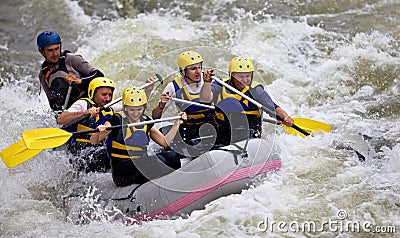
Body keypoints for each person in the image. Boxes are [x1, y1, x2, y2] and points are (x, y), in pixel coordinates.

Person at [90, 86, 186, 187]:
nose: (136, 113)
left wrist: (177, 124)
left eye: (139, 109)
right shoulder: (116, 119)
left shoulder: (145, 120)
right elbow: (93, 141)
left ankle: (175, 184)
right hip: (123, 171)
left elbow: (165, 142)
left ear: (144, 107)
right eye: (132, 110)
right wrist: (99, 131)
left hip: (140, 164)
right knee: (156, 162)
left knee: (172, 156)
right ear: (125, 108)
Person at [200, 56, 294, 146]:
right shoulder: (220, 85)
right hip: (223, 133)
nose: (245, 80)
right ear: (231, 76)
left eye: (248, 76)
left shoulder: (256, 91)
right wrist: (207, 83)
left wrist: (285, 117)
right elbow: (205, 99)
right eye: (240, 77)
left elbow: (273, 108)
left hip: (249, 134)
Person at [152, 50, 216, 152]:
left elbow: (206, 100)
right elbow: (155, 117)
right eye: (193, 68)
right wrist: (161, 105)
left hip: (210, 126)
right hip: (189, 129)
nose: (198, 71)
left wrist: (208, 83)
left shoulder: (210, 80)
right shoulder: (173, 87)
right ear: (183, 71)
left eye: (199, 67)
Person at [56, 77, 118, 172]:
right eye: (104, 94)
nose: (108, 98)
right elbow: (61, 119)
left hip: (98, 148)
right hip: (79, 149)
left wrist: (148, 90)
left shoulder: (110, 108)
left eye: (110, 95)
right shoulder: (83, 104)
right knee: (104, 154)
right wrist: (85, 113)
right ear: (92, 93)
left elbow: (134, 109)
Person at [37, 30, 104, 112]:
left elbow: (99, 75)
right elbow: (53, 105)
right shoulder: (43, 74)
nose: (55, 54)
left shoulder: (72, 59)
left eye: (57, 49)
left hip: (89, 104)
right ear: (42, 52)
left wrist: (79, 81)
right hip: (71, 114)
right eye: (50, 50)